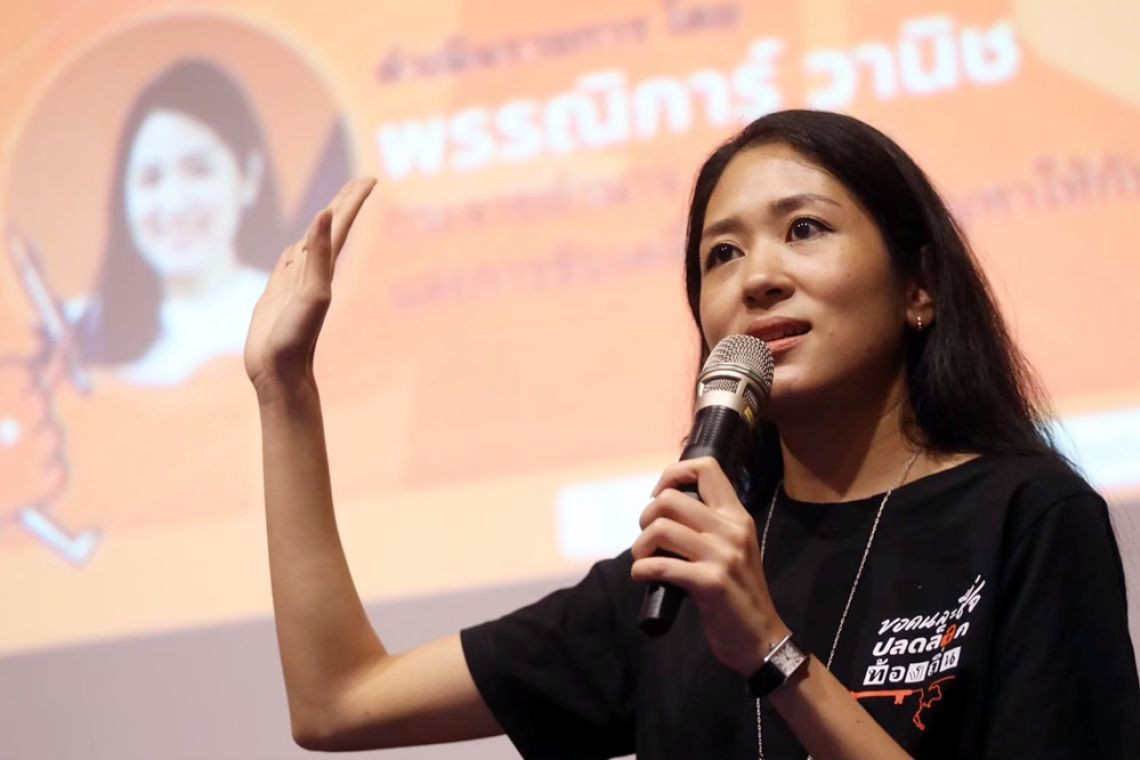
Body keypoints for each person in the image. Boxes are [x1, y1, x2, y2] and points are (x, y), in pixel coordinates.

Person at [244, 111, 1140, 758]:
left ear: (919, 287)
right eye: (723, 254)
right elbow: (338, 702)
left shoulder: (1026, 516)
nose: (759, 278)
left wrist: (774, 655)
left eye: (804, 229)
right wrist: (285, 391)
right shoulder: (683, 580)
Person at [73, 58, 288, 387]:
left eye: (198, 170)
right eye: (150, 178)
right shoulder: (73, 333)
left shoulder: (295, 313)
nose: (174, 204)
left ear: (249, 176)